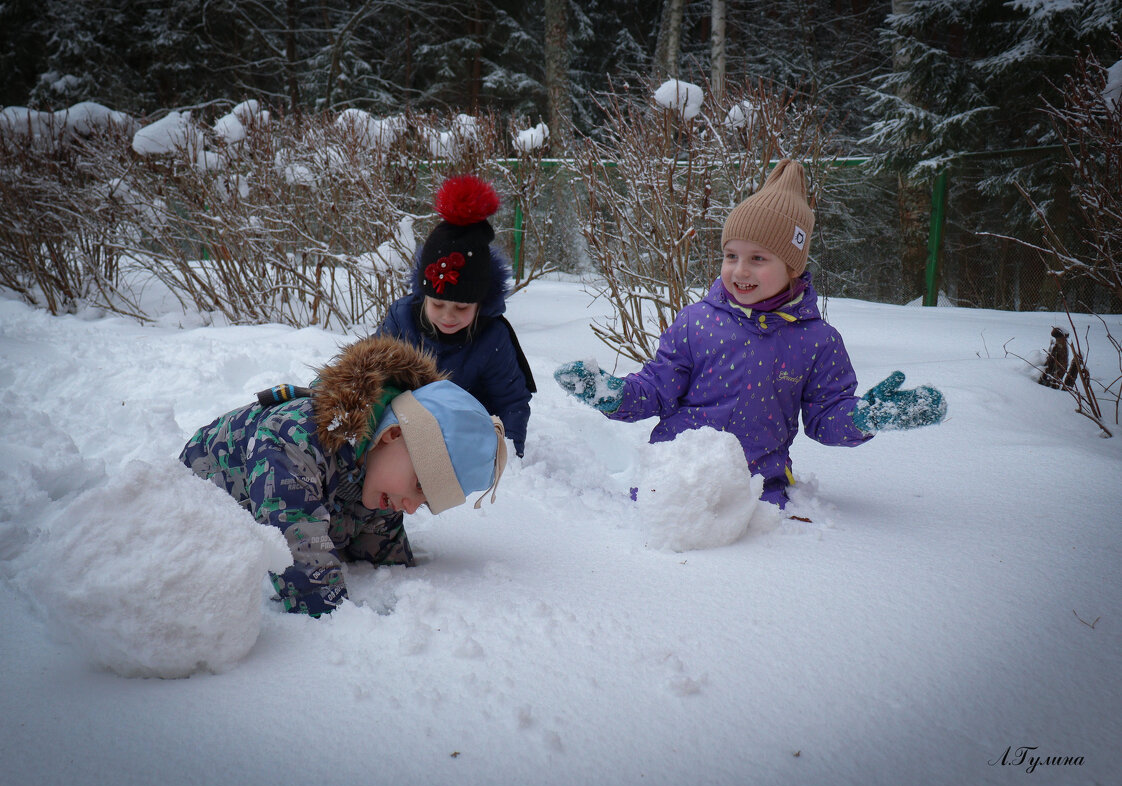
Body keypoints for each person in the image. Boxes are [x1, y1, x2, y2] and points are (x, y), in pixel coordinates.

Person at [554, 159, 946, 508]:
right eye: (731, 256)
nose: (740, 270)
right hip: (674, 480)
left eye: (758, 259)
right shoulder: (696, 322)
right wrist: (614, 395)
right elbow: (657, 389)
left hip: (758, 489)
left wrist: (864, 418)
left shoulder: (818, 341)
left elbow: (825, 417)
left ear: (793, 266)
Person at [180, 335, 507, 616]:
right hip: (185, 519)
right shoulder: (294, 440)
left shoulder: (380, 476)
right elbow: (301, 555)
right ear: (391, 435)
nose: (409, 507)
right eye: (418, 486)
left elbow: (384, 557)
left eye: (424, 502)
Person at [378, 174, 535, 458]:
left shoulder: (492, 335)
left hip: (468, 438)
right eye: (437, 305)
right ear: (423, 296)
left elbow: (512, 402)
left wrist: (506, 458)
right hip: (404, 432)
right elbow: (372, 378)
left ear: (480, 303)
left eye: (462, 308)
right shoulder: (402, 319)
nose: (448, 317)